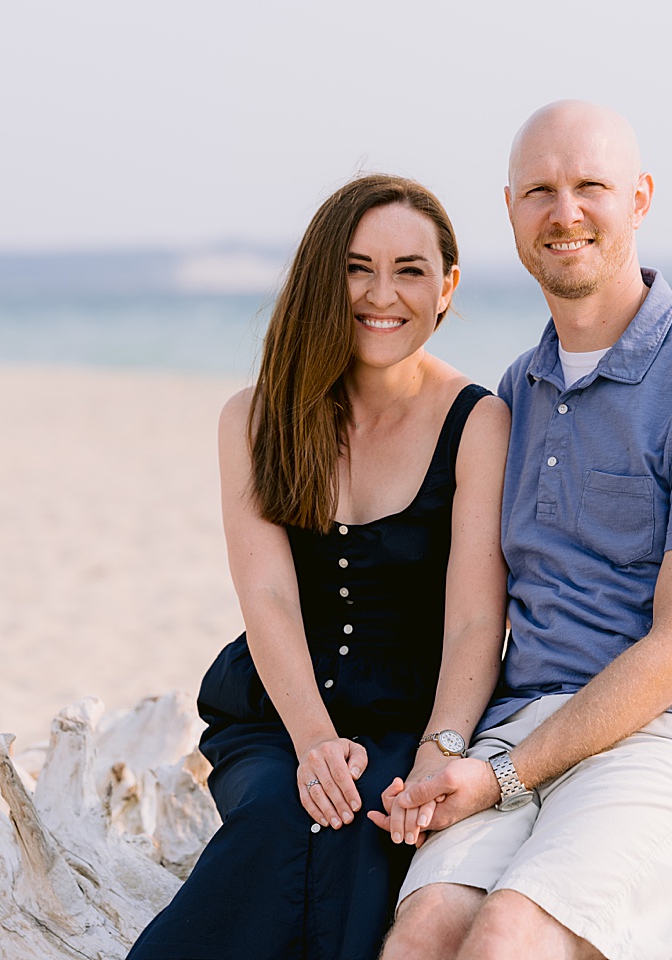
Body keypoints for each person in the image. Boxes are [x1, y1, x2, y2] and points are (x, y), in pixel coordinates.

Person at [377, 101, 672, 960]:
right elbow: (479, 622)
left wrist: (502, 773)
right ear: (510, 212)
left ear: (639, 199)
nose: (564, 212)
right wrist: (447, 751)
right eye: (540, 190)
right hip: (525, 729)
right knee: (424, 931)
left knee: (510, 935)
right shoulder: (518, 389)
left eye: (590, 187)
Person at [126, 174, 510, 960]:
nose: (382, 294)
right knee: (284, 813)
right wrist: (312, 742)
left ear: (447, 288)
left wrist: (441, 749)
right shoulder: (256, 416)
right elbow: (264, 592)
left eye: (410, 270)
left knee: (363, 827)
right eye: (358, 266)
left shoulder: (478, 420)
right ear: (323, 276)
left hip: (416, 715)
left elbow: (477, 617)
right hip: (277, 714)